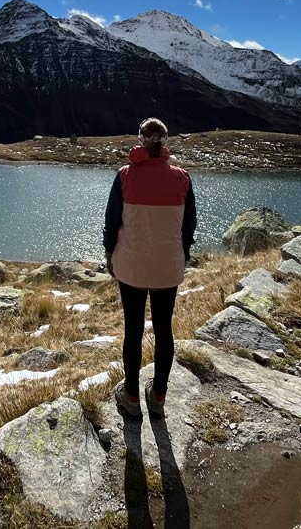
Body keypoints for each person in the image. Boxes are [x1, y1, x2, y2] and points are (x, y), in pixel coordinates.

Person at [103, 117, 197, 420]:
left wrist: (110, 254)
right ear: (165, 143)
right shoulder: (182, 178)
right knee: (163, 329)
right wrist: (182, 253)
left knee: (133, 329)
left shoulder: (125, 175)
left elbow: (111, 221)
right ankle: (158, 396)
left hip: (131, 265)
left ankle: (131, 397)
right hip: (168, 267)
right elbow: (189, 226)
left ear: (141, 140)